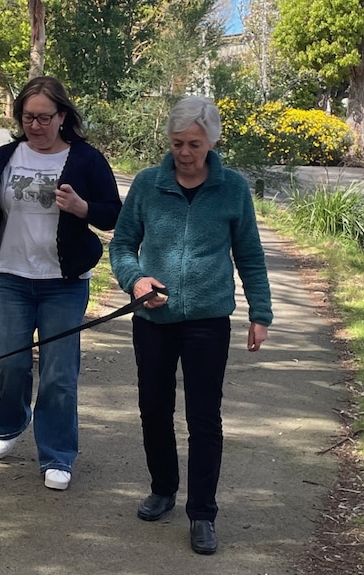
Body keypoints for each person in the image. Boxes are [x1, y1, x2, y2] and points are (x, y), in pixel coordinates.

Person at [108, 96, 272, 554]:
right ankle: (163, 489)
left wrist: (260, 313)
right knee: (154, 409)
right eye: (177, 143)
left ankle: (202, 512)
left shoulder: (233, 189)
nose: (184, 152)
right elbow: (121, 245)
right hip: (153, 319)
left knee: (203, 418)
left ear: (213, 141)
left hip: (208, 322)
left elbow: (251, 257)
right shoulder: (147, 185)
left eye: (194, 144)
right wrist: (135, 280)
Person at [0, 76, 121, 491]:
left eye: (44, 117)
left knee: (58, 373)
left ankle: (57, 455)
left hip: (63, 282)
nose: (35, 125)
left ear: (63, 116)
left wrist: (83, 207)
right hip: (11, 275)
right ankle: (12, 420)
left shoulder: (86, 160)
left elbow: (113, 214)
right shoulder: (4, 157)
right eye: (28, 117)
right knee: (9, 359)